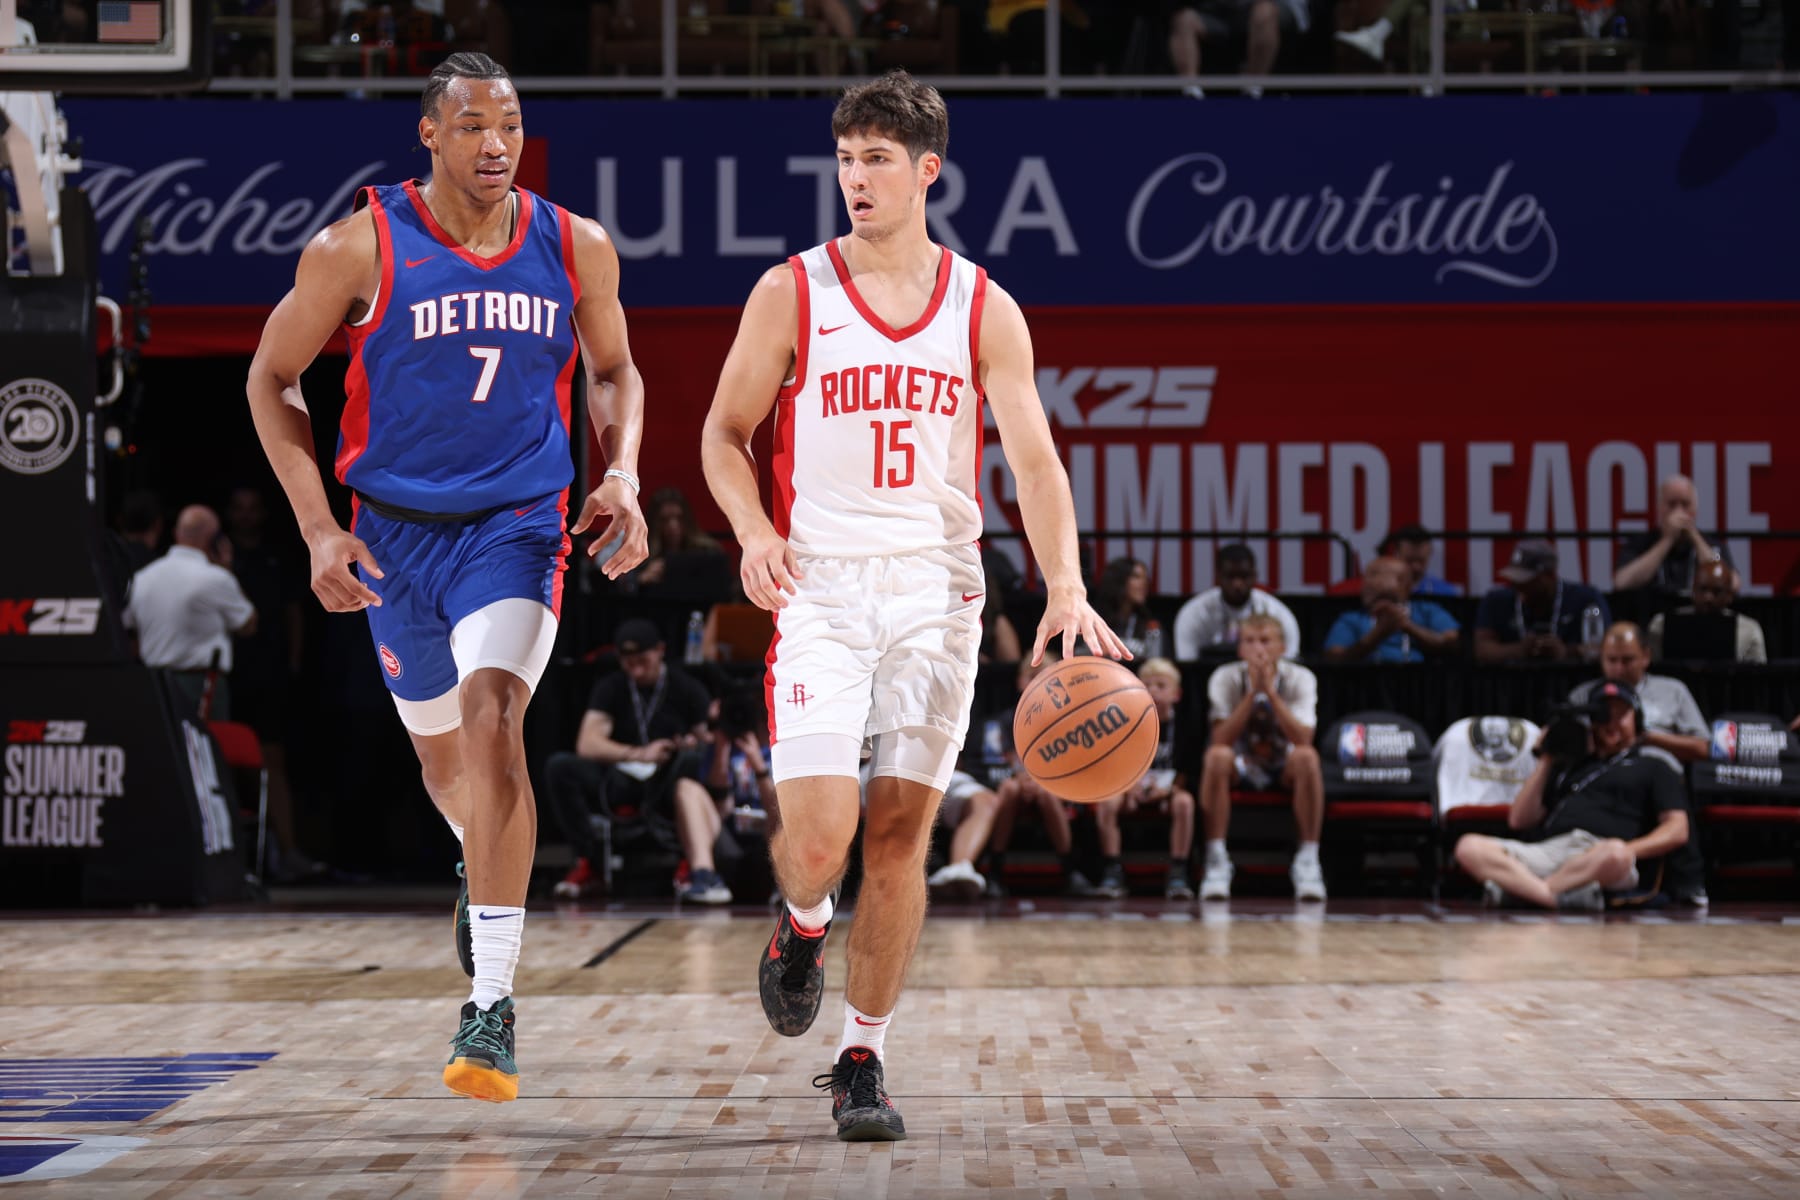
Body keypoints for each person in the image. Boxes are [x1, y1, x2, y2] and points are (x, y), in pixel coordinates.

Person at [698, 70, 1127, 1142]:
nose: (856, 179)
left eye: (878, 159)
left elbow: (1035, 462)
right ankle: (799, 923)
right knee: (818, 842)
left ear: (927, 170)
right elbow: (722, 435)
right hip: (823, 588)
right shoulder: (792, 290)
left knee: (898, 840)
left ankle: (862, 1059)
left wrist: (1065, 586)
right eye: (845, 159)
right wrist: (754, 531)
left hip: (940, 595)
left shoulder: (984, 305)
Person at [244, 52, 649, 1105]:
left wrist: (626, 472)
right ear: (429, 135)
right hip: (395, 540)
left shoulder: (573, 243)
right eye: (472, 125)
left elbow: (612, 370)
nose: (495, 144)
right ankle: (484, 862)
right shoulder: (359, 244)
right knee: (450, 778)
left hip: (517, 527)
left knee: (493, 714)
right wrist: (319, 530)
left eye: (509, 124)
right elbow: (271, 376)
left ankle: (494, 1005)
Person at [1453, 681, 1690, 911]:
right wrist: (1546, 757)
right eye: (1604, 715)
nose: (1612, 723)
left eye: (1621, 715)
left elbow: (1677, 829)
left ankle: (1525, 892)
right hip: (1548, 852)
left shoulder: (1654, 766)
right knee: (1469, 847)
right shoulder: (1570, 765)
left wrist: (1631, 850)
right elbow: (1519, 820)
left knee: (1617, 855)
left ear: (1637, 721)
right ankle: (1551, 897)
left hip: (1598, 856)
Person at [542, 619, 718, 903]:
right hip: (622, 775)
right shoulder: (611, 686)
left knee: (691, 763)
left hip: (668, 781)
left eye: (642, 661)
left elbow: (706, 740)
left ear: (660, 650)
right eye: (628, 661)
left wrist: (684, 746)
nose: (635, 669)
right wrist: (637, 753)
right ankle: (588, 862)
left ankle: (693, 861)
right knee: (561, 767)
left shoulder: (686, 687)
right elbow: (588, 742)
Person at [1197, 614, 1325, 901]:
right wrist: (1252, 693)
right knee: (1216, 756)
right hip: (1241, 761)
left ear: (1282, 647)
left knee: (1307, 758)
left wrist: (1271, 693)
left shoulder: (1301, 678)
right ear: (1240, 649)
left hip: (1283, 762)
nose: (1258, 649)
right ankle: (1217, 860)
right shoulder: (1224, 677)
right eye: (1250, 641)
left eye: (1266, 640)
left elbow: (1303, 738)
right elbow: (1220, 738)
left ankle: (1307, 861)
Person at [123, 505, 259, 719]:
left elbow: (129, 631)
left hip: (154, 685)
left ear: (177, 534)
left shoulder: (143, 578)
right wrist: (227, 569)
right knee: (206, 750)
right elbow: (248, 624)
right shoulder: (216, 578)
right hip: (200, 685)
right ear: (215, 540)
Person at [1088, 657, 1199, 900]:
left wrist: (1169, 791)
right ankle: (1112, 869)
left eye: (1161, 685)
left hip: (1167, 789)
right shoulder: (1121, 722)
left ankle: (1179, 871)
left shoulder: (1185, 725)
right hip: (1131, 786)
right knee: (1108, 802)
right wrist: (1129, 788)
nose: (1153, 691)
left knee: (1185, 802)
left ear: (1176, 694)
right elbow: (1113, 764)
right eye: (1147, 684)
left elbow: (1188, 769)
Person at [1568, 623, 1710, 763]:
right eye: (1612, 660)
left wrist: (1647, 738)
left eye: (1627, 660)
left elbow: (1703, 748)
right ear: (1601, 659)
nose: (1619, 668)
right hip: (1600, 775)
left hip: (1657, 772)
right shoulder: (1582, 696)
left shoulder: (1673, 690)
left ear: (1645, 656)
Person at [1474, 540, 1609, 664]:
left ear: (1550, 575)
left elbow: (1604, 648)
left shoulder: (1587, 599)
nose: (1519, 586)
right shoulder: (1497, 600)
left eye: (1527, 580)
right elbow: (1482, 649)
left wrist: (1566, 651)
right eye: (1515, 579)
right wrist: (1519, 650)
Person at [1614, 474, 1735, 599]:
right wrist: (1667, 540)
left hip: (1699, 614)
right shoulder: (1640, 543)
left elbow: (1732, 583)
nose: (1679, 512)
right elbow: (1621, 582)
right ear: (1659, 508)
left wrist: (1695, 537)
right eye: (1672, 504)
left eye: (1685, 504)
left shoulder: (1710, 543)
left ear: (1695, 509)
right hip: (1653, 614)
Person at [1173, 542, 1300, 661]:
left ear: (1255, 576)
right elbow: (1186, 664)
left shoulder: (1276, 613)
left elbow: (1290, 664)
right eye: (1230, 576)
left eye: (1244, 576)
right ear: (1218, 577)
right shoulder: (1194, 614)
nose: (1237, 584)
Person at [1323, 555, 1460, 663]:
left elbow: (1452, 645)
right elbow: (1334, 658)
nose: (1365, 583)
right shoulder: (1352, 618)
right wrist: (1379, 633)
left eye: (1375, 575)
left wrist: (1405, 625)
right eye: (1366, 577)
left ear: (1403, 582)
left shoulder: (1428, 611)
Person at [1167, 0, 1306, 99]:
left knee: (1264, 12)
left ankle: (1252, 89)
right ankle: (1191, 91)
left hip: (1276, 6)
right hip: (1222, 11)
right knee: (1184, 20)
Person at [1647, 559, 1767, 664]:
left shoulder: (1749, 629)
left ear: (1729, 595)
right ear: (1693, 590)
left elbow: (1757, 675)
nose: (1708, 598)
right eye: (1702, 589)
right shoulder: (1661, 624)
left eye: (1716, 591)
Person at [1091, 556, 1158, 660]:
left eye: (1145, 578)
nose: (1144, 583)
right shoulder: (1093, 618)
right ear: (1119, 580)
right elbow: (1078, 652)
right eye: (1136, 577)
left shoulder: (1149, 623)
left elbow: (1155, 661)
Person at [1384, 523, 1461, 597]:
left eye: (1421, 561)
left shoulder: (1446, 592)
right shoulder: (1382, 590)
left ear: (1430, 553)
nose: (1416, 567)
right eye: (1409, 561)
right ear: (1396, 553)